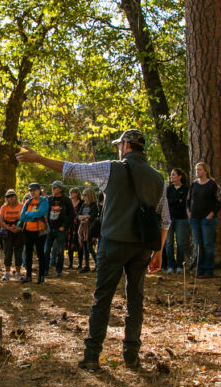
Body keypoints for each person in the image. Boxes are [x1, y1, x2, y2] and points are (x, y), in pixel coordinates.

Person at [17, 129, 167, 371]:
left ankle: (91, 356)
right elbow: (164, 218)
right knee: (135, 301)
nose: (119, 147)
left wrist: (39, 159)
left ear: (126, 146)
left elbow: (73, 169)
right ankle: (131, 355)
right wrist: (158, 251)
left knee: (103, 299)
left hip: (113, 244)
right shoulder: (158, 178)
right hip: (142, 247)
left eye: (120, 144)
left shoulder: (112, 168)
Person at [187, 161, 221, 279]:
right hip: (194, 219)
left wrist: (211, 215)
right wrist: (189, 213)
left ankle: (208, 270)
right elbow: (188, 200)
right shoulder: (193, 185)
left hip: (207, 220)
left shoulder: (212, 185)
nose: (198, 172)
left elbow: (218, 202)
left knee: (208, 245)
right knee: (198, 245)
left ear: (206, 171)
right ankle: (199, 269)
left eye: (200, 169)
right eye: (196, 170)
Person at [18, 182, 49, 284]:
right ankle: (28, 276)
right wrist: (33, 216)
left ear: (39, 191)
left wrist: (29, 214)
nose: (32, 192)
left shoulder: (44, 201)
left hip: (40, 231)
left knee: (40, 253)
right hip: (28, 231)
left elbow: (42, 212)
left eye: (34, 190)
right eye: (30, 191)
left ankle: (41, 276)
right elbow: (22, 216)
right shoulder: (27, 202)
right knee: (28, 254)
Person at [44, 180, 75, 278]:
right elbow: (45, 213)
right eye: (52, 187)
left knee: (60, 251)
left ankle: (59, 271)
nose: (52, 189)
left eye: (54, 187)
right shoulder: (49, 199)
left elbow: (72, 215)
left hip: (60, 229)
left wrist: (64, 226)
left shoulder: (66, 200)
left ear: (60, 189)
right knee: (46, 250)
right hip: (50, 229)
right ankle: (45, 271)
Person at [163, 168, 190, 274]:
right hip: (169, 218)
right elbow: (167, 202)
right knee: (168, 243)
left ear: (180, 176)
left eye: (174, 175)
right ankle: (170, 265)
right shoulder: (168, 189)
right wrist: (177, 200)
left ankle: (180, 265)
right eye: (171, 175)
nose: (171, 177)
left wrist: (177, 201)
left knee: (180, 242)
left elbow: (184, 203)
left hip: (181, 218)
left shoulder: (186, 189)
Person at [0, 189, 24, 282]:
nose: (10, 198)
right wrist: (8, 228)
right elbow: (1, 220)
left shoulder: (21, 206)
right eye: (8, 197)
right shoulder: (4, 207)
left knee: (18, 252)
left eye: (12, 196)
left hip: (18, 231)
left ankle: (18, 272)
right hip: (7, 231)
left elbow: (24, 218)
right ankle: (7, 273)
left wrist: (19, 228)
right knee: (7, 252)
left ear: (16, 196)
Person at [77, 187, 100, 273]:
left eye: (85, 195)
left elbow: (92, 217)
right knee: (85, 248)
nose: (83, 196)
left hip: (91, 228)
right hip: (83, 228)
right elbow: (78, 216)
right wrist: (85, 217)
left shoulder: (94, 205)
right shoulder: (83, 205)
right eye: (83, 194)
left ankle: (97, 264)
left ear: (90, 195)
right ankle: (87, 266)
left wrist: (85, 217)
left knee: (89, 247)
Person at [66, 187, 83, 270]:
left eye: (72, 192)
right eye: (70, 192)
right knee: (69, 246)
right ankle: (70, 264)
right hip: (70, 227)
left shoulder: (82, 203)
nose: (71, 194)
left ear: (77, 194)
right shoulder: (68, 202)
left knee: (80, 245)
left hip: (79, 227)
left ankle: (80, 264)